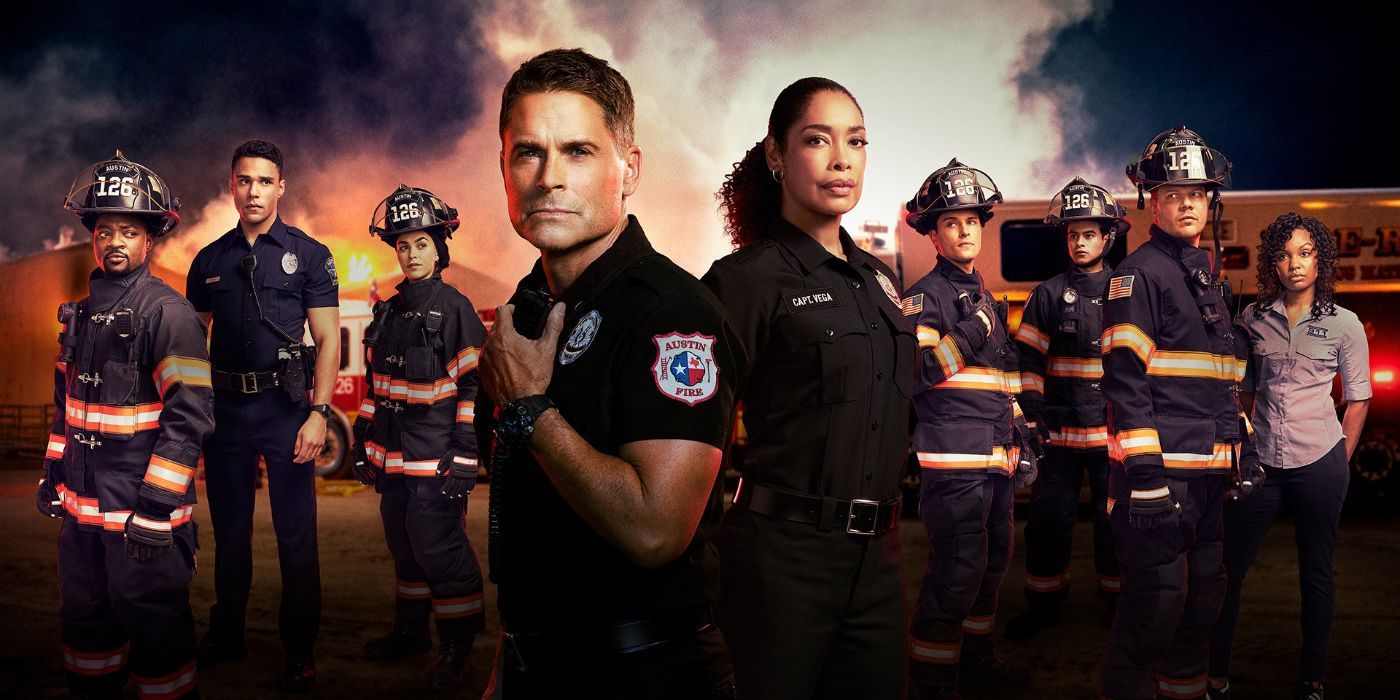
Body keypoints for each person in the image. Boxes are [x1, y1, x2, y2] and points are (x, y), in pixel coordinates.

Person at [478, 48, 743, 697]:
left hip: (645, 674)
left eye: (578, 151)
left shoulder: (673, 314)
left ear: (629, 170)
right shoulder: (531, 307)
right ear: (505, 170)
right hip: (536, 663)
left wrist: (530, 412)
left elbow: (655, 530)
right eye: (528, 152)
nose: (548, 178)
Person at [701, 77, 913, 700]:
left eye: (857, 141)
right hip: (781, 565)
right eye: (817, 140)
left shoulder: (879, 282)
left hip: (878, 566)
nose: (842, 159)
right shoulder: (745, 281)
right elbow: (698, 436)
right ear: (776, 156)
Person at [40, 151, 213, 699]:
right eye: (105, 229)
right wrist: (53, 473)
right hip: (82, 516)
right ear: (92, 235)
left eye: (129, 231)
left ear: (150, 239)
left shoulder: (168, 314)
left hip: (144, 520)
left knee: (158, 638)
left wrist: (158, 507)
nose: (115, 241)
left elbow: (190, 417)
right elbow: (66, 410)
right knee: (86, 630)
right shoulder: (81, 317)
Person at [1101, 125, 1254, 700]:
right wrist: (1143, 478)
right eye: (1173, 193)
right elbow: (1124, 381)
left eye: (1198, 193)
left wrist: (1244, 446)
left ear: (1210, 200)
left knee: (1203, 603)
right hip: (1160, 482)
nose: (1188, 203)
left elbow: (1216, 382)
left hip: (1210, 479)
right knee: (1154, 612)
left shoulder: (1202, 278)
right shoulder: (1139, 274)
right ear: (1151, 203)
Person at [186, 140, 340, 692]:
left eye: (264, 181)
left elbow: (326, 341)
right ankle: (227, 635)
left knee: (296, 536)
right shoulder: (208, 260)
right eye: (244, 180)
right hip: (224, 414)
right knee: (230, 535)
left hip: (285, 412)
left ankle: (300, 649)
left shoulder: (311, 255)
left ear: (281, 187)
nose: (253, 191)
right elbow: (191, 344)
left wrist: (319, 414)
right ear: (232, 185)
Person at [1207, 212, 1370, 700]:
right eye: (1283, 255)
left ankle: (1311, 681)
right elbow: (1247, 391)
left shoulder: (1345, 325)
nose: (1294, 264)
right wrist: (1249, 442)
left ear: (1320, 259)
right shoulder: (1252, 319)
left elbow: (1358, 397)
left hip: (1321, 461)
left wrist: (1340, 458)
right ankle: (1214, 678)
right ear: (1271, 265)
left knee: (1316, 572)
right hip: (1263, 466)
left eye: (1304, 253)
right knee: (1226, 570)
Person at [902, 158, 1037, 699]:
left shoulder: (983, 293)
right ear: (933, 234)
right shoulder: (924, 297)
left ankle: (976, 662)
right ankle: (933, 679)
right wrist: (976, 325)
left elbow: (1001, 379)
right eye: (952, 223)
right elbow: (923, 372)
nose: (964, 231)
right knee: (957, 569)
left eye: (973, 221)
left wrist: (1023, 436)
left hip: (994, 455)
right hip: (954, 460)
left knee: (992, 563)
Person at [349, 184, 488, 689]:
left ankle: (457, 645)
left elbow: (473, 386)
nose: (410, 254)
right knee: (403, 543)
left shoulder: (455, 309)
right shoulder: (390, 311)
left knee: (438, 546)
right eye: (403, 245)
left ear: (439, 248)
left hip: (434, 457)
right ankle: (411, 632)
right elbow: (377, 385)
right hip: (392, 457)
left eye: (421, 244)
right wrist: (365, 437)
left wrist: (467, 453)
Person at [1005, 177, 1128, 639]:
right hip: (1057, 437)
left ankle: (1118, 606)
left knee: (1113, 525)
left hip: (1113, 436)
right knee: (1048, 525)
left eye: (1089, 234)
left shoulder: (1127, 290)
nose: (1080, 242)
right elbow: (1029, 358)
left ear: (1107, 237)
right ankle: (1043, 606)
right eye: (1073, 234)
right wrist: (1033, 414)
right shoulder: (1048, 294)